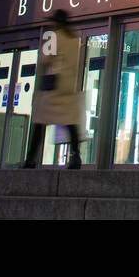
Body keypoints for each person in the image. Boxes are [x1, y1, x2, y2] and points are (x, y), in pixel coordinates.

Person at [23, 9, 84, 169]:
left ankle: (30, 158)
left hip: (53, 84)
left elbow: (44, 59)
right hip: (69, 85)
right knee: (71, 122)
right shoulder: (74, 38)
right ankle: (76, 155)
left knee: (40, 121)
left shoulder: (53, 36)